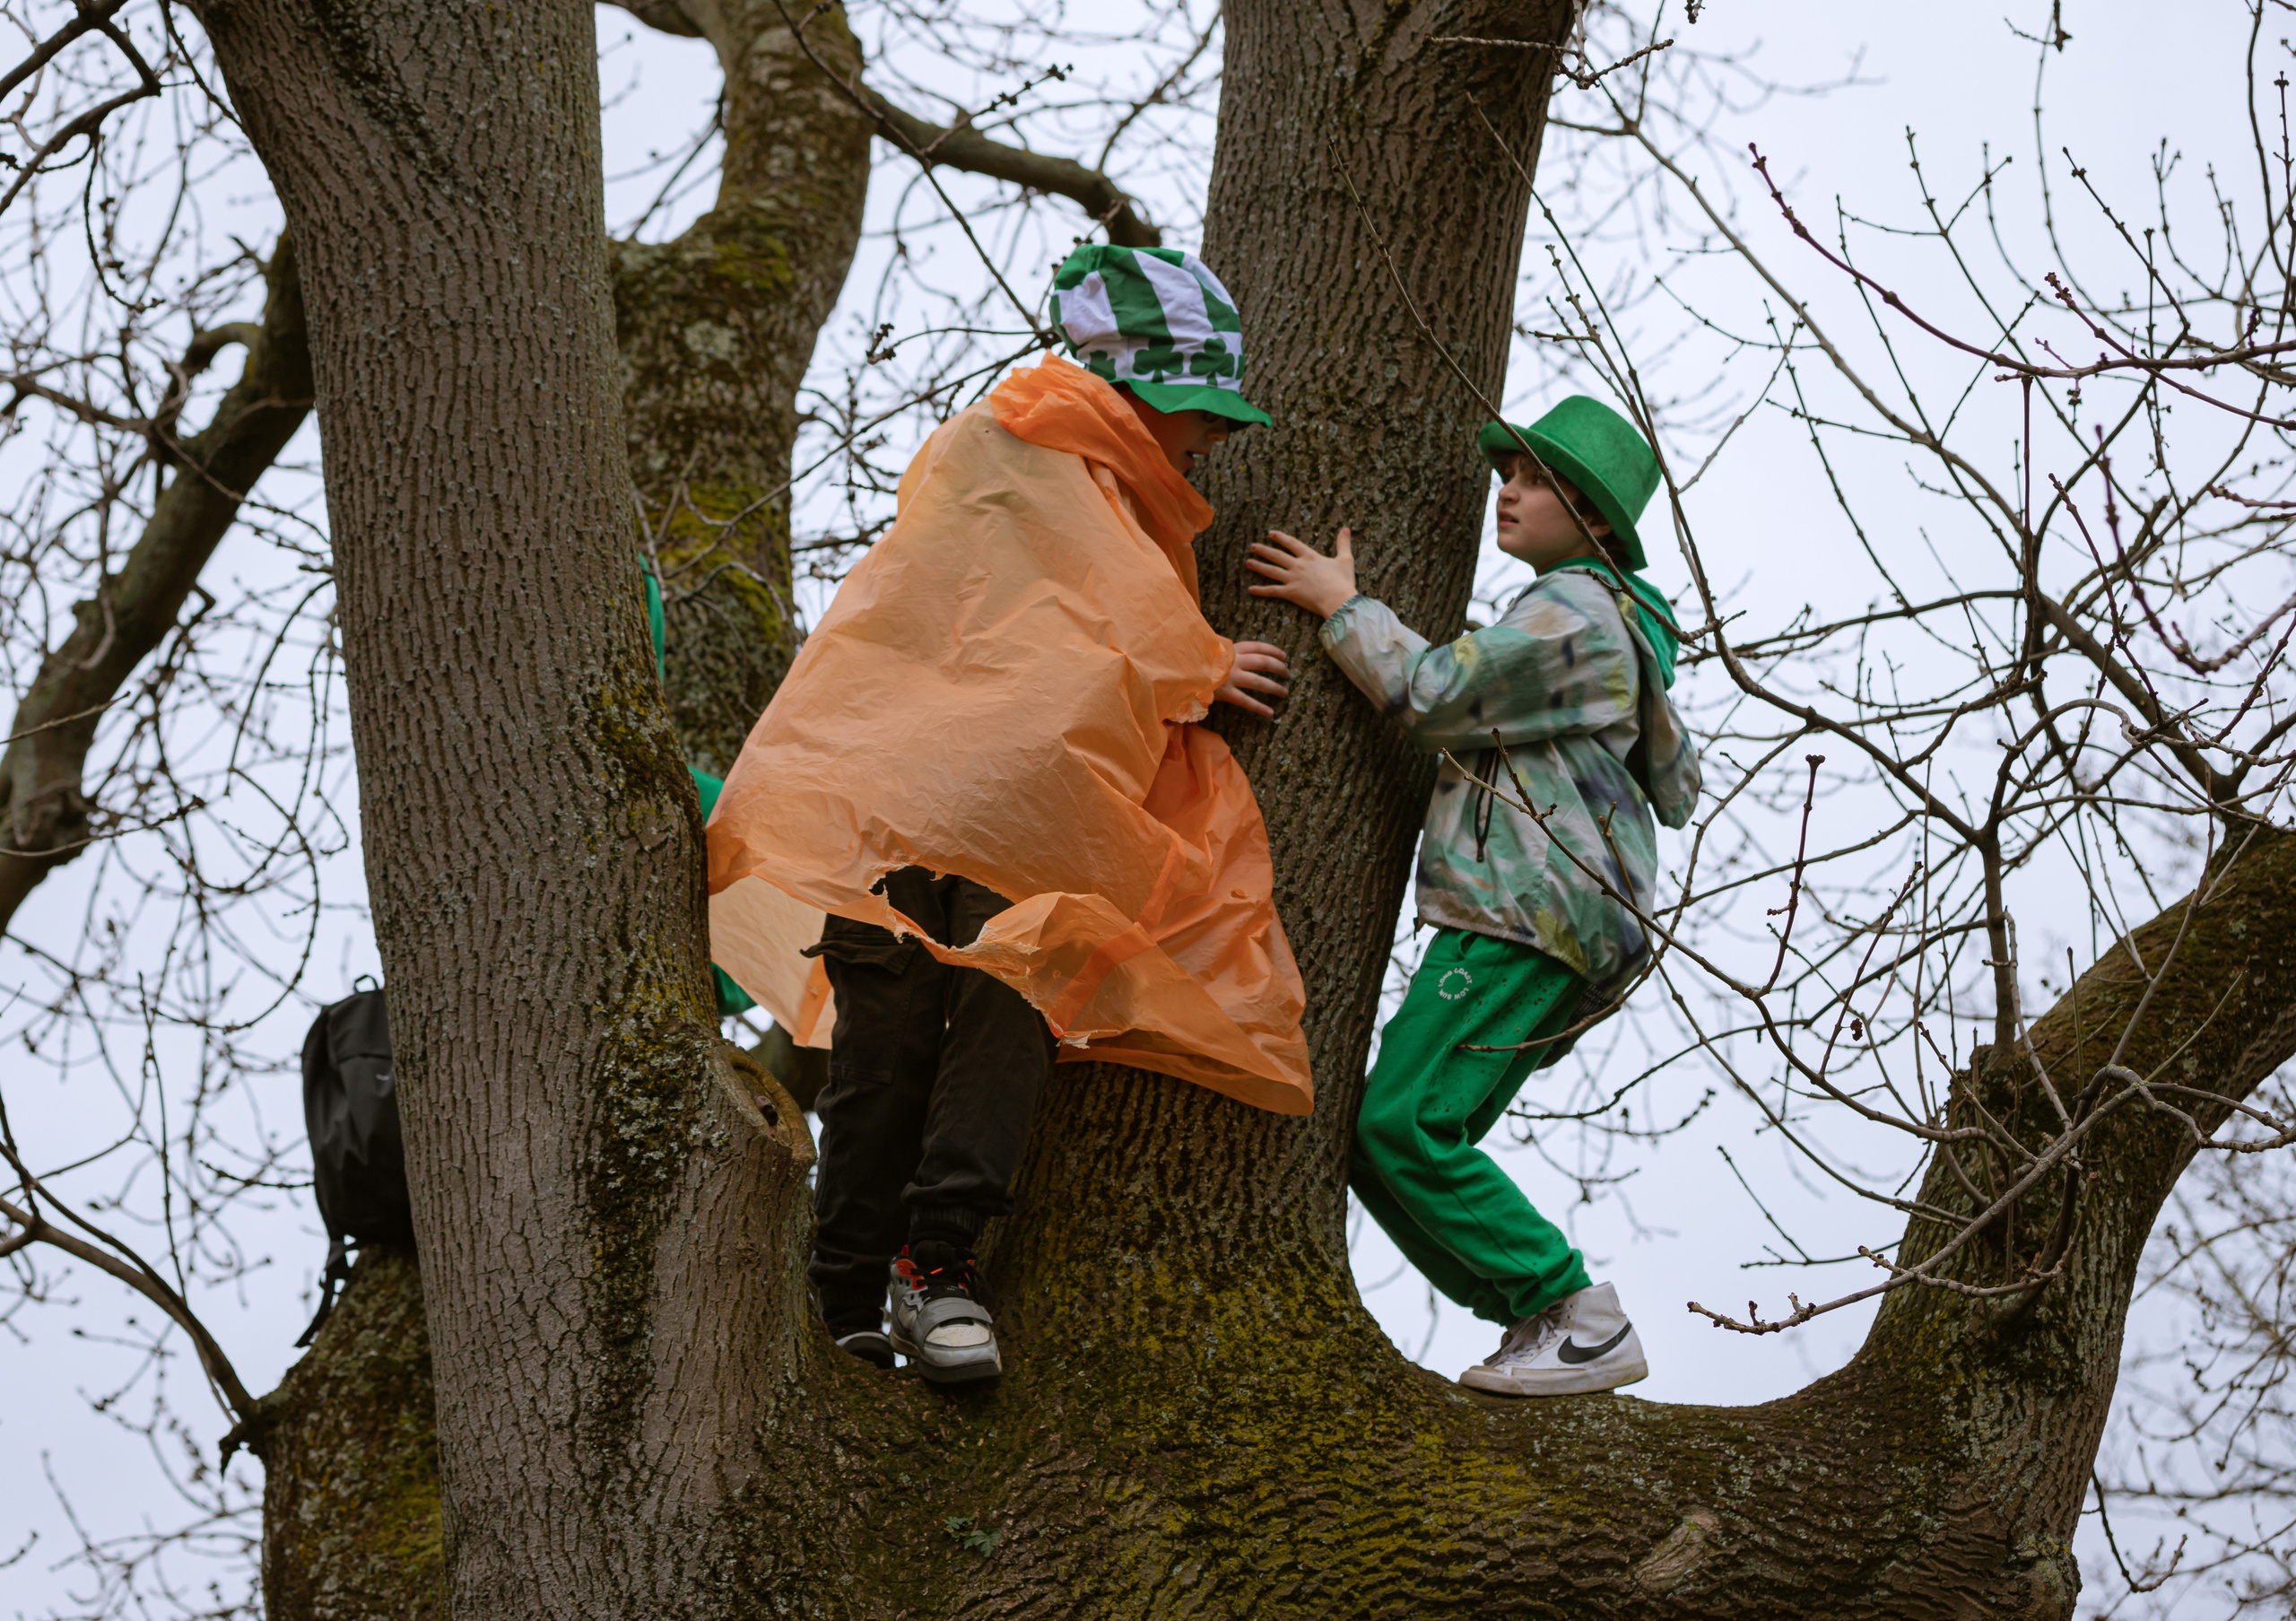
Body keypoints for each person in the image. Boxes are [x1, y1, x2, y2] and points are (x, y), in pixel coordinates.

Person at [704, 244, 1309, 1383]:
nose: (1213, 440)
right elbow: (1069, 603)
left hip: (1017, 810)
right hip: (922, 800)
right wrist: (1199, 659)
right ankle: (845, 1291)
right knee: (889, 1036)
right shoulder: (1015, 442)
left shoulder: (1116, 493)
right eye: (1201, 410)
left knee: (1004, 1004)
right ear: (1134, 389)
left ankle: (936, 1265)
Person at [1244, 397, 1700, 1397]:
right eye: (1508, 473)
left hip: (1527, 913)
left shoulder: (1580, 608)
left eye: (1534, 480)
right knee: (1392, 1141)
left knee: (1400, 1123)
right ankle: (1544, 1322)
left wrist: (1343, 606)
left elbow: (1441, 691)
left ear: (1591, 515)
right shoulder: (1590, 619)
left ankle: (1573, 1312)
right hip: (1551, 920)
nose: (1508, 491)